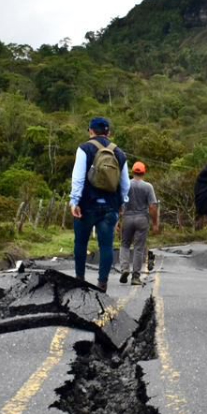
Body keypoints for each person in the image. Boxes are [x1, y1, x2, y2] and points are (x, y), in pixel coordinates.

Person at [70, 117, 130, 291]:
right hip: (110, 206)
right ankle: (102, 282)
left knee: (80, 243)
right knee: (106, 246)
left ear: (90, 131)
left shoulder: (84, 149)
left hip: (86, 205)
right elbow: (125, 184)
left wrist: (75, 201)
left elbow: (79, 178)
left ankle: (79, 279)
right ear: (108, 133)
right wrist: (121, 203)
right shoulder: (119, 153)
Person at [119, 161, 160, 286]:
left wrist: (117, 221)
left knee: (125, 244)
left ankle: (125, 269)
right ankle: (135, 277)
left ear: (132, 172)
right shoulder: (148, 187)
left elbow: (119, 204)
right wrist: (155, 223)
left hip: (127, 217)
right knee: (138, 248)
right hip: (142, 218)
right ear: (144, 172)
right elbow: (152, 206)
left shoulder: (125, 185)